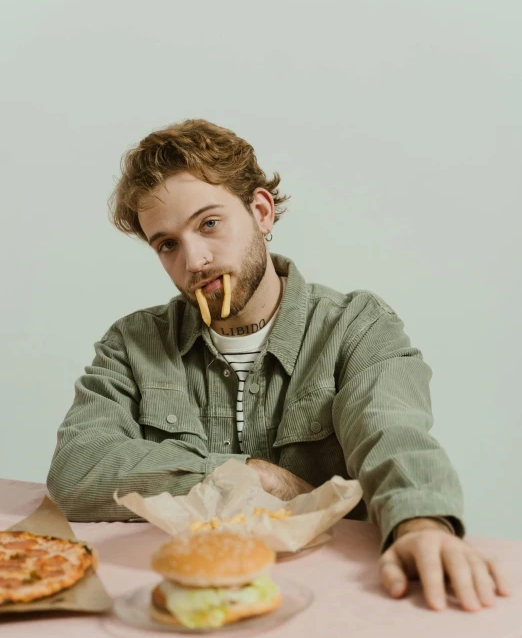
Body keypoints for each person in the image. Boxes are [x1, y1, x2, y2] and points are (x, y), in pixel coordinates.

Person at [47, 119, 511, 613]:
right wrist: (247, 473)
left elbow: (392, 434)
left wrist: (421, 523)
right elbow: (77, 468)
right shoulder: (131, 344)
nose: (195, 260)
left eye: (209, 223)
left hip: (339, 604)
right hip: (189, 603)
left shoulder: (355, 327)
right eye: (167, 244)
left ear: (261, 212)